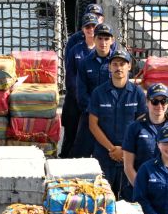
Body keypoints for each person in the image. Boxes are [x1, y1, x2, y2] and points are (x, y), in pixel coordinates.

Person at [86, 47, 145, 195]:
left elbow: (141, 125)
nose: (119, 68)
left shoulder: (137, 93)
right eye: (115, 64)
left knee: (128, 200)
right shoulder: (98, 93)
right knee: (102, 200)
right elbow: (93, 125)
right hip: (104, 155)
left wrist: (124, 151)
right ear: (110, 67)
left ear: (129, 66)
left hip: (129, 156)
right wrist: (112, 149)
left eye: (122, 64)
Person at [67, 23, 115, 158]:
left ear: (112, 40)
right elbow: (81, 93)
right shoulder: (84, 63)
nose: (103, 43)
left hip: (112, 116)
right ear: (94, 39)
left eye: (106, 39)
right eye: (100, 38)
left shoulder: (118, 63)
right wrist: (94, 112)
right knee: (79, 155)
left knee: (111, 154)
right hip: (90, 115)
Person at [60, 12, 101, 156]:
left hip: (94, 101)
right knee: (71, 133)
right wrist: (81, 97)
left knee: (91, 136)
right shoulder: (75, 50)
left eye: (93, 26)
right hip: (75, 99)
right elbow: (70, 76)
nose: (90, 29)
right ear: (82, 29)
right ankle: (65, 158)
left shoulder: (102, 50)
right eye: (87, 27)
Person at [126, 85, 168, 180]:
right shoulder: (134, 127)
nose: (159, 106)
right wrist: (140, 189)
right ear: (147, 102)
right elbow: (128, 167)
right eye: (155, 101)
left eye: (163, 101)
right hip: (142, 183)